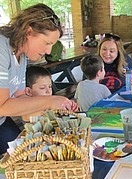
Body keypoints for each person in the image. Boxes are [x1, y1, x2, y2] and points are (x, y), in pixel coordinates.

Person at [0, 3, 77, 155]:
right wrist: (50, 100)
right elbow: (2, 106)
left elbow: (21, 98)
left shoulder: (21, 54)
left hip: (2, 121)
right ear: (29, 31)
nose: (48, 51)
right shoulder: (2, 48)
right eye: (47, 43)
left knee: (25, 151)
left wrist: (51, 113)